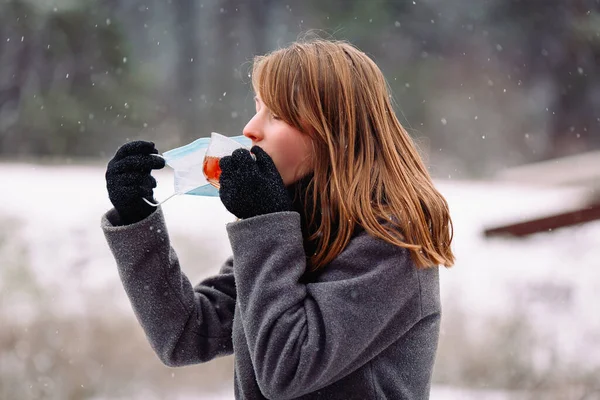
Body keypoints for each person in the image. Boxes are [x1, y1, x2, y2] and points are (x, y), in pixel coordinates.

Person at [102, 38, 455, 400]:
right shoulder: (300, 227)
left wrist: (264, 221)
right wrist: (137, 219)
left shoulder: (391, 243)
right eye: (257, 107)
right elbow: (185, 333)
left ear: (334, 133)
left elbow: (286, 367)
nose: (251, 128)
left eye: (278, 115)